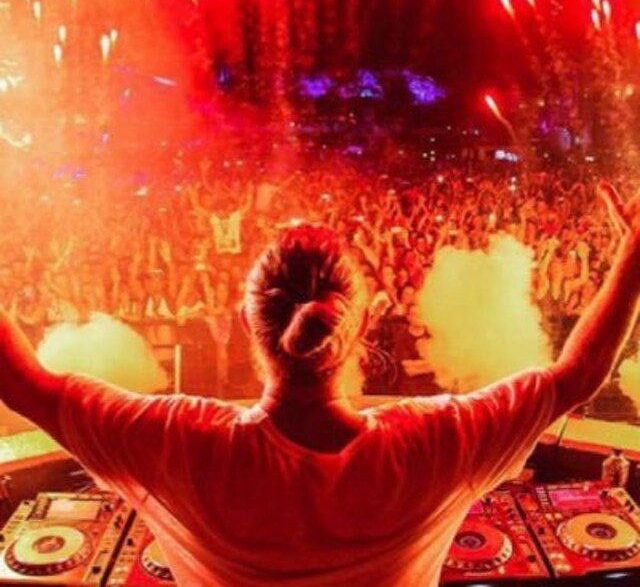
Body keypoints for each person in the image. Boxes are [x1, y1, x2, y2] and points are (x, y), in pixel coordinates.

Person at [0, 183, 638, 587]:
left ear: (245, 324)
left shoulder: (180, 444)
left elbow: (23, 385)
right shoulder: (438, 443)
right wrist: (634, 258)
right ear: (362, 324)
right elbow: (576, 378)